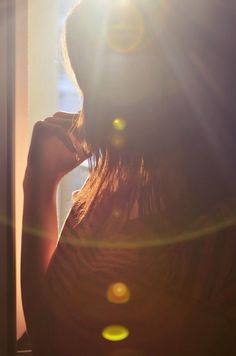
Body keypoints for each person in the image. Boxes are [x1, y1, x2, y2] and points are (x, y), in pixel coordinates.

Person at [21, 0, 236, 355]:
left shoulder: (216, 233)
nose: (89, 112)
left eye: (101, 88)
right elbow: (49, 336)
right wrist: (39, 185)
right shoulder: (108, 190)